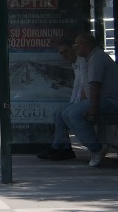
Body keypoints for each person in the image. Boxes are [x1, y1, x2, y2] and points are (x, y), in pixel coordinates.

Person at [41, 31, 117, 166]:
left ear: (85, 45)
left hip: (110, 101)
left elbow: (95, 85)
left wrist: (92, 106)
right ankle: (61, 147)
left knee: (73, 114)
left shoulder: (96, 58)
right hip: (101, 99)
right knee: (64, 112)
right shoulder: (91, 58)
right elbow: (82, 87)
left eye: (76, 45)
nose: (74, 48)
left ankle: (97, 148)